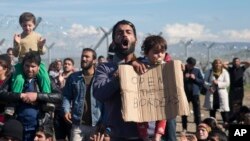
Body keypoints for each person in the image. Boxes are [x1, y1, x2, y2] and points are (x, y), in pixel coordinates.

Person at [93, 20, 143, 141]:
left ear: (135, 39)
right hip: (116, 135)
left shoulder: (145, 65)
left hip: (144, 134)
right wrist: (117, 78)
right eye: (119, 33)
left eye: (128, 32)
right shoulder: (104, 68)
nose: (124, 35)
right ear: (114, 41)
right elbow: (99, 94)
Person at [12, 51, 62, 141]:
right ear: (22, 65)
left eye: (33, 67)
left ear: (39, 67)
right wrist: (19, 95)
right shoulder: (15, 79)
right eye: (27, 66)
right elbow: (2, 94)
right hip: (17, 129)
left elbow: (59, 96)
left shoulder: (46, 79)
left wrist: (37, 96)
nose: (30, 69)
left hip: (38, 129)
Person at [62, 48, 102, 141]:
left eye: (87, 57)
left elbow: (106, 101)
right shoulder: (73, 77)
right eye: (82, 56)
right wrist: (66, 110)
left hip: (96, 125)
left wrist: (104, 121)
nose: (83, 59)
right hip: (77, 125)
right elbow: (66, 96)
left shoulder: (100, 78)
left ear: (94, 60)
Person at [135, 35, 167, 141]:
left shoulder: (167, 66)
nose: (159, 55)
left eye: (162, 52)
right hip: (143, 100)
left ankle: (158, 136)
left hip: (161, 100)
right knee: (141, 117)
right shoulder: (140, 65)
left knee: (162, 114)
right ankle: (144, 136)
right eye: (155, 52)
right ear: (146, 53)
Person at [12, 12, 51, 94]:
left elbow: (43, 52)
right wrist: (17, 44)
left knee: (44, 77)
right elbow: (15, 54)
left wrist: (41, 46)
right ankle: (14, 101)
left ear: (34, 25)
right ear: (21, 25)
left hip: (36, 63)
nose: (27, 27)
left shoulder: (37, 36)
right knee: (18, 79)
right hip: (22, 63)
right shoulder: (19, 37)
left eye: (29, 25)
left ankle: (47, 98)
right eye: (24, 25)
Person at [204, 59, 230, 125]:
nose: (218, 64)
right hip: (212, 93)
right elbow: (204, 82)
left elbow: (227, 83)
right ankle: (213, 126)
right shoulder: (209, 71)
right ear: (213, 64)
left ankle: (226, 126)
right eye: (216, 63)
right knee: (212, 111)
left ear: (221, 64)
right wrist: (210, 86)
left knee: (224, 111)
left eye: (219, 63)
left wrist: (218, 83)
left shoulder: (225, 72)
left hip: (221, 94)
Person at [54, 57, 74, 141]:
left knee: (71, 136)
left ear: (72, 66)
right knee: (60, 137)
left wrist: (62, 83)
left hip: (70, 111)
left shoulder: (74, 78)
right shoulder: (57, 77)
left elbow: (69, 94)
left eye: (69, 64)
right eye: (65, 64)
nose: (66, 65)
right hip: (58, 110)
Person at [182, 57, 204, 132]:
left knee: (197, 112)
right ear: (187, 63)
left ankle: (198, 128)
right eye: (190, 64)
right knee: (184, 112)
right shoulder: (182, 70)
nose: (191, 66)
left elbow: (202, 81)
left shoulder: (197, 71)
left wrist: (195, 78)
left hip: (195, 94)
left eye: (192, 65)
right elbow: (178, 81)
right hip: (185, 94)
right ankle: (184, 128)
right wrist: (184, 77)